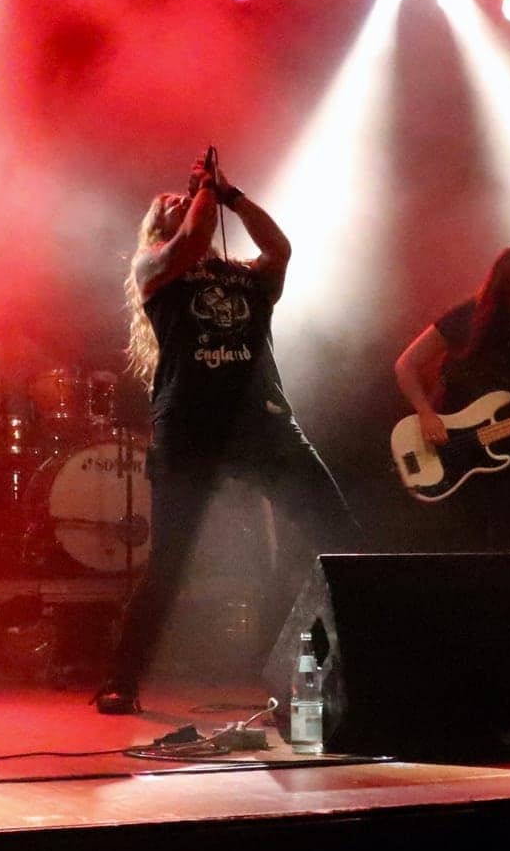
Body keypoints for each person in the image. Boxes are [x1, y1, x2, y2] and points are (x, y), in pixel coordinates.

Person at [95, 155, 357, 714]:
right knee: (170, 561)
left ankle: (345, 666)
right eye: (167, 203)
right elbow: (191, 241)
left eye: (183, 198)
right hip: (190, 425)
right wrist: (203, 195)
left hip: (261, 421)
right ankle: (121, 679)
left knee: (336, 531)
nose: (179, 200)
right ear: (156, 227)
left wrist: (231, 196)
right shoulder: (154, 268)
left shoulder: (244, 275)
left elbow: (280, 249)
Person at [393, 245, 510, 550]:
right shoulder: (466, 317)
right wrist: (426, 414)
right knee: (465, 541)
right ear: (501, 287)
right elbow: (406, 365)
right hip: (457, 445)